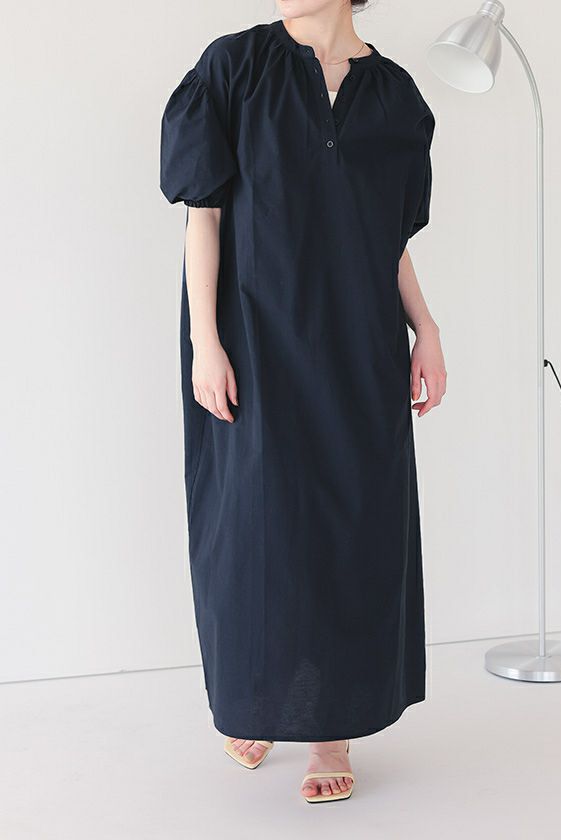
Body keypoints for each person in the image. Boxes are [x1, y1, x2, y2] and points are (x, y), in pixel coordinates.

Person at [160, 0, 446, 803]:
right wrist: (205, 341)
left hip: (358, 345)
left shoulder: (395, 97)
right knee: (255, 535)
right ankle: (257, 700)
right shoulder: (233, 68)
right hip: (253, 343)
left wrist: (425, 327)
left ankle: (330, 732)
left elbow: (389, 239)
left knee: (349, 532)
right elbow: (204, 216)